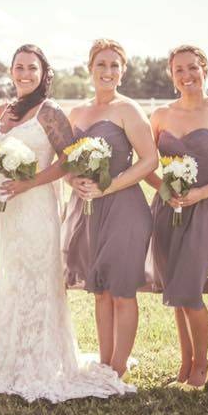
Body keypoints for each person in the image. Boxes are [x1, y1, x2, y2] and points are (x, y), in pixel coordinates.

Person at [0, 44, 134, 401]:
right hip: (6, 210)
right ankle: (13, 356)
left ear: (43, 75)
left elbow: (69, 158)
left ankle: (41, 360)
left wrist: (29, 182)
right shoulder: (4, 111)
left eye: (32, 69)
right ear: (11, 71)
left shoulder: (49, 111)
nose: (25, 73)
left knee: (38, 278)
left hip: (36, 204)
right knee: (14, 277)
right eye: (19, 66)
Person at [145, 45, 208, 389]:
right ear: (171, 75)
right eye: (179, 70)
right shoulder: (160, 115)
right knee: (175, 287)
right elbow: (147, 165)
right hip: (167, 207)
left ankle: (201, 365)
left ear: (204, 68)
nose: (187, 75)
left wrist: (201, 193)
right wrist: (165, 188)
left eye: (193, 68)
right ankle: (186, 361)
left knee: (188, 288)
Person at [62, 39, 158, 377]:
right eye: (101, 65)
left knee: (121, 290)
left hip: (124, 208)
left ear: (123, 70)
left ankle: (118, 368)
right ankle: (104, 363)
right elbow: (67, 165)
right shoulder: (76, 113)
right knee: (100, 290)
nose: (108, 71)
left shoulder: (127, 109)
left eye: (114, 65)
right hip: (89, 210)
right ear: (90, 69)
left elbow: (150, 160)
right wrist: (75, 182)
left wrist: (109, 186)